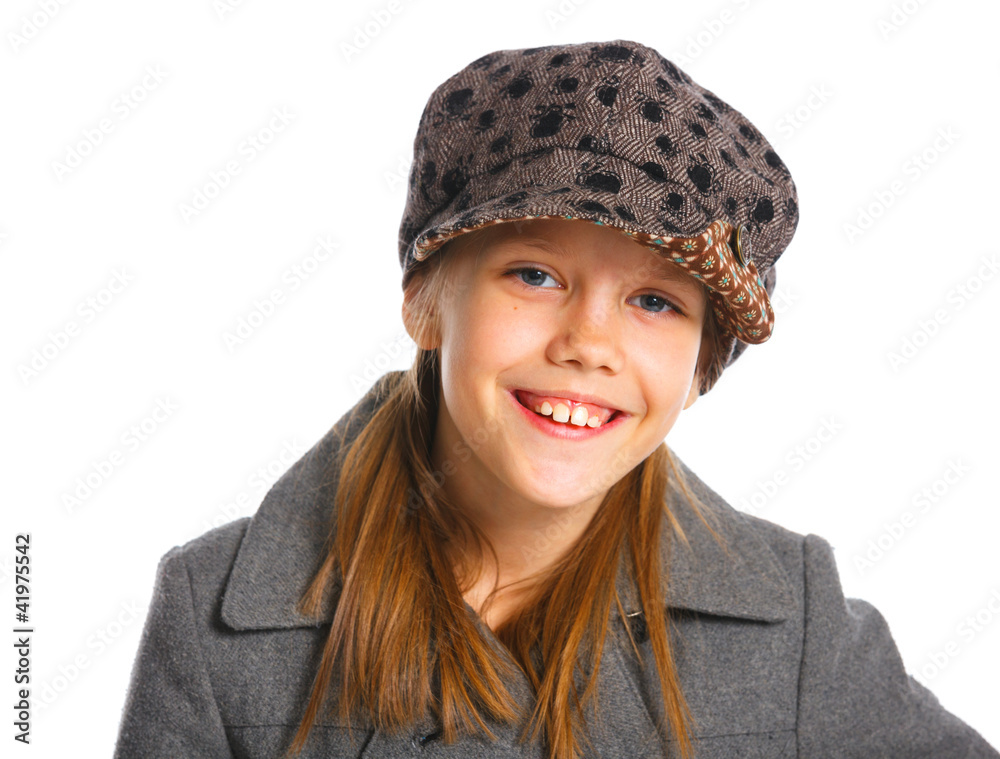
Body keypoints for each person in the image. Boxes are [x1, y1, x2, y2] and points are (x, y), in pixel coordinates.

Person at [113, 39, 999, 758]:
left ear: (701, 366)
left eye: (655, 301)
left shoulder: (792, 624)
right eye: (534, 274)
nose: (589, 343)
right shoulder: (214, 614)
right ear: (426, 301)